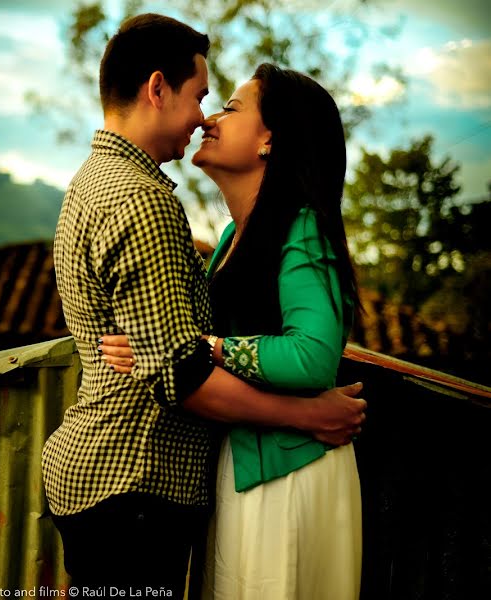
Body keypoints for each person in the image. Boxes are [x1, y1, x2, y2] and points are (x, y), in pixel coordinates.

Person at [41, 13, 365, 598]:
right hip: (137, 482)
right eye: (202, 97)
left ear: (271, 139)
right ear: (157, 88)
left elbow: (290, 353)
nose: (205, 117)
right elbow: (179, 371)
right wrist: (307, 413)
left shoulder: (99, 183)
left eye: (226, 107)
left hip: (260, 474)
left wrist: (190, 347)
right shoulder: (144, 202)